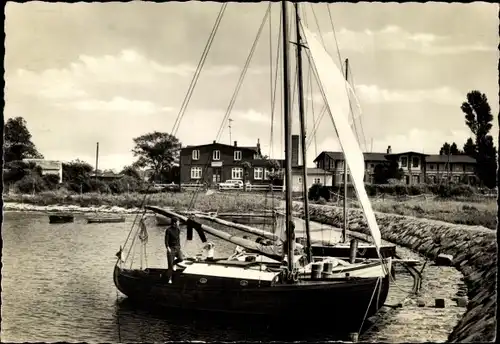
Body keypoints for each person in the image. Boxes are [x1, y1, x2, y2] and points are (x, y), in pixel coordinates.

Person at [165, 217, 184, 282]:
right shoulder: (168, 230)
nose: (179, 223)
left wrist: (179, 247)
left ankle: (173, 263)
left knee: (181, 258)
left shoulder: (178, 230)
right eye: (178, 222)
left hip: (177, 247)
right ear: (174, 223)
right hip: (171, 248)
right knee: (170, 266)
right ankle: (169, 279)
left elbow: (178, 239)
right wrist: (168, 248)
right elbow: (166, 240)